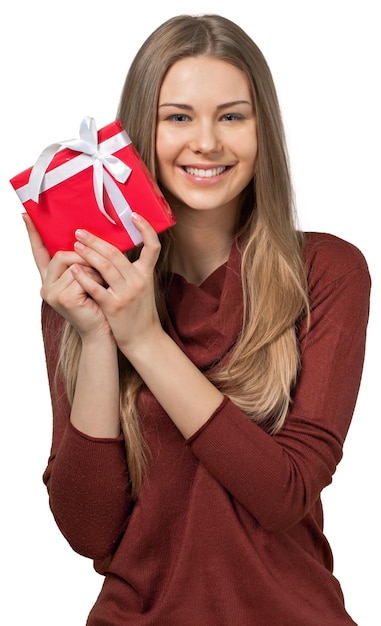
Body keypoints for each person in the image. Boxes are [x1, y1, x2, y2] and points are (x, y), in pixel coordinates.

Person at [23, 14, 371, 626]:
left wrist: (146, 340)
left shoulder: (327, 272)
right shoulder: (79, 295)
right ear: (137, 133)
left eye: (232, 116)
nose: (206, 142)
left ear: (263, 129)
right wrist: (97, 334)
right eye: (177, 117)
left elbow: (285, 493)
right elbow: (90, 532)